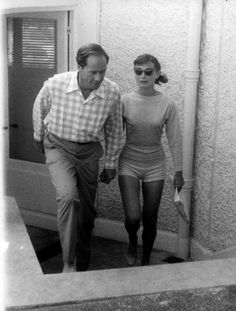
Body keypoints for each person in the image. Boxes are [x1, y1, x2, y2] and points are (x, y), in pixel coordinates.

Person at [33, 43, 123, 272]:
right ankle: (68, 262)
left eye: (102, 71)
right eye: (93, 72)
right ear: (80, 67)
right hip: (58, 147)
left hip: (89, 152)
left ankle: (83, 254)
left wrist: (111, 164)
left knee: (87, 211)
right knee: (68, 197)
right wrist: (38, 136)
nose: (98, 77)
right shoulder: (56, 84)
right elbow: (39, 107)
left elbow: (114, 130)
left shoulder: (111, 92)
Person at [118, 54, 184, 266]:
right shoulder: (125, 101)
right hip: (129, 161)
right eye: (138, 71)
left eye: (148, 72)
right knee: (133, 218)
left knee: (150, 218)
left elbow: (175, 140)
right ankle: (131, 240)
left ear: (156, 74)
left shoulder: (167, 104)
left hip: (155, 164)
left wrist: (179, 172)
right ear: (134, 73)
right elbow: (114, 135)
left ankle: (145, 259)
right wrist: (108, 163)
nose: (143, 76)